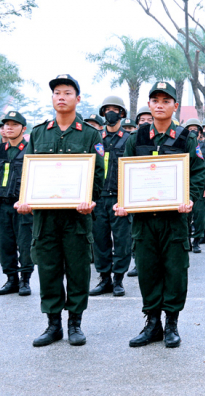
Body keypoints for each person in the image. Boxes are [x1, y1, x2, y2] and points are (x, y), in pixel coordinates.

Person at [16, 74, 104, 347]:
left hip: (76, 216)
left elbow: (99, 174)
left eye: (67, 92)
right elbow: (28, 171)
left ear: (77, 99)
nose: (61, 97)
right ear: (52, 98)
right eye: (57, 93)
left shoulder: (90, 134)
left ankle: (75, 323)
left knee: (78, 269)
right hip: (45, 216)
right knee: (49, 269)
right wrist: (25, 199)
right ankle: (53, 325)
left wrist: (90, 199)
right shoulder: (40, 133)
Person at [115, 81, 205, 349]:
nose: (160, 105)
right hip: (144, 220)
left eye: (166, 101)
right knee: (148, 269)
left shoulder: (186, 139)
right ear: (149, 105)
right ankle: (152, 323)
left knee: (175, 270)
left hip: (174, 219)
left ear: (175, 106)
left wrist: (190, 197)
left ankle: (172, 325)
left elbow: (198, 173)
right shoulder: (137, 138)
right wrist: (124, 201)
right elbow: (125, 174)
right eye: (155, 100)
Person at [88, 95, 133, 298]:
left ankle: (118, 280)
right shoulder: (96, 138)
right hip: (98, 198)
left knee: (122, 241)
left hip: (120, 199)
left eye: (116, 109)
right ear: (103, 113)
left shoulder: (130, 140)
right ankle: (104, 279)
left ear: (122, 114)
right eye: (108, 109)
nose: (111, 113)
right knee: (100, 240)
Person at [0, 111, 33, 296]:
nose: (9, 128)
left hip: (23, 206)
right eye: (6, 124)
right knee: (5, 245)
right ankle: (11, 280)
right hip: (2, 205)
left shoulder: (30, 150)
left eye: (14, 125)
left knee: (25, 244)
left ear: (23, 128)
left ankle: (25, 281)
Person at [185, 118, 205, 252]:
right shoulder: (182, 145)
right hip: (184, 187)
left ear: (200, 132)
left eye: (195, 129)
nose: (192, 131)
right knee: (185, 218)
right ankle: (187, 241)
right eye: (189, 129)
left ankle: (196, 241)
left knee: (200, 216)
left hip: (200, 187)